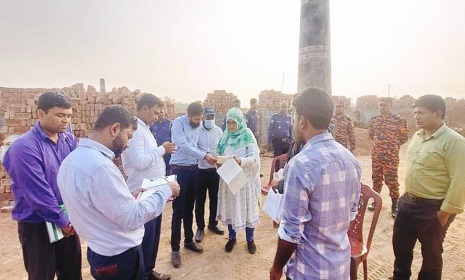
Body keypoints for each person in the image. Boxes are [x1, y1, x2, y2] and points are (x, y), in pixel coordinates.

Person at [57, 105, 180, 280]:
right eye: (128, 136)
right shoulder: (100, 167)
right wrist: (165, 191)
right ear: (115, 129)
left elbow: (96, 204)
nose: (128, 143)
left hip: (100, 252)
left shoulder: (72, 160)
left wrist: (130, 196)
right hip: (120, 258)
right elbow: (133, 217)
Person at [269, 88, 362, 280]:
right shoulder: (351, 159)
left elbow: (291, 232)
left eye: (294, 119)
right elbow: (352, 213)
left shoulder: (301, 165)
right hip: (339, 267)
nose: (294, 124)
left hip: (308, 271)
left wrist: (277, 268)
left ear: (302, 121)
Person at [3, 92, 82, 280]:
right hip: (37, 224)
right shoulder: (24, 147)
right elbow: (38, 192)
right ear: (40, 114)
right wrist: (63, 221)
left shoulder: (68, 139)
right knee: (41, 275)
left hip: (67, 219)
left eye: (69, 116)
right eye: (60, 115)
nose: (66, 120)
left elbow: (76, 174)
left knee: (72, 272)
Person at [390, 94, 465, 280]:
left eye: (421, 113)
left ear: (438, 113)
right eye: (415, 112)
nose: (416, 116)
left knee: (431, 255)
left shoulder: (454, 141)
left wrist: (444, 213)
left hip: (433, 207)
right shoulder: (417, 136)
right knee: (401, 245)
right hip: (408, 202)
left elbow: (460, 180)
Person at [121, 94, 175, 280]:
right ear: (144, 108)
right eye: (154, 112)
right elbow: (139, 162)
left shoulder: (145, 128)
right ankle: (142, 274)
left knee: (152, 236)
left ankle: (148, 271)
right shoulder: (135, 130)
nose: (157, 116)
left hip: (154, 188)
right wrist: (162, 149)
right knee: (145, 236)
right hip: (143, 191)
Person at [169, 101, 217, 268]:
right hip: (179, 170)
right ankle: (175, 249)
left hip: (193, 169)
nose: (198, 122)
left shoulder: (199, 124)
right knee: (178, 211)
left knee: (190, 207)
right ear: (188, 115)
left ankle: (188, 241)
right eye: (196, 119)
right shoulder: (178, 123)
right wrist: (205, 156)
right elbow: (184, 146)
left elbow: (196, 145)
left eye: (200, 119)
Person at [216, 108, 261, 254]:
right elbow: (220, 154)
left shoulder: (247, 135)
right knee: (231, 208)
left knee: (247, 208)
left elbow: (254, 157)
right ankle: (232, 237)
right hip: (229, 178)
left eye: (234, 123)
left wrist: (241, 160)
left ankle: (250, 239)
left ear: (240, 121)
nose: (231, 126)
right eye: (229, 123)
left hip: (244, 179)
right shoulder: (225, 136)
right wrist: (218, 160)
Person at [368, 97, 409, 218]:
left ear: (390, 105)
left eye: (384, 105)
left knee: (391, 181)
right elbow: (371, 135)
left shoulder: (399, 120)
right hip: (376, 155)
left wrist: (391, 146)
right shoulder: (374, 120)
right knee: (376, 178)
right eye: (380, 105)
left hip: (391, 156)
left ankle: (395, 205)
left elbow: (404, 137)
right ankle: (376, 201)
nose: (382, 107)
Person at [194, 106, 224, 243]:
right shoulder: (196, 131)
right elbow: (193, 149)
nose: (210, 119)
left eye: (212, 117)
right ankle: (200, 227)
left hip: (214, 172)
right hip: (200, 171)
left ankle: (213, 223)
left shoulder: (219, 131)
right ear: (203, 117)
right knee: (200, 200)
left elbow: (222, 149)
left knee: (215, 199)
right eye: (207, 117)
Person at [150, 107, 172, 175]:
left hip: (167, 149)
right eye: (159, 112)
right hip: (157, 149)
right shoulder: (153, 124)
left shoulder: (169, 123)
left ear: (164, 113)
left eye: (162, 112)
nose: (160, 114)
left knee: (168, 167)